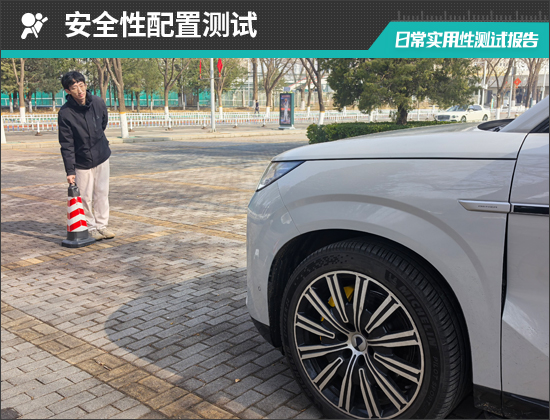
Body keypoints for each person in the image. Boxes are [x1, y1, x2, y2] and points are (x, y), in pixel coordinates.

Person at [58, 71, 114, 241]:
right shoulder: (65, 113)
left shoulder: (97, 102)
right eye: (74, 87)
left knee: (102, 193)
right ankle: (90, 227)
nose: (80, 90)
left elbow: (103, 123)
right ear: (68, 91)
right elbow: (66, 144)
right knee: (84, 197)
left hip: (101, 155)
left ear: (85, 85)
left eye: (81, 85)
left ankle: (102, 225)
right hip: (81, 161)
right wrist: (70, 171)